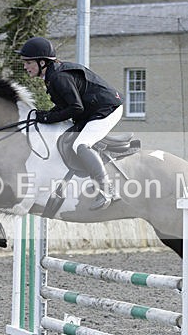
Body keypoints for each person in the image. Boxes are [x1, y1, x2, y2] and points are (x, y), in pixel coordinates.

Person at [16, 37, 123, 210]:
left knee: (81, 144)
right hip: (92, 110)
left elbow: (76, 108)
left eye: (28, 62)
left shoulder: (58, 77)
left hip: (108, 109)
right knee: (67, 138)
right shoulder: (52, 75)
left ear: (42, 62)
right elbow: (64, 105)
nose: (25, 67)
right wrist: (44, 114)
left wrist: (47, 118)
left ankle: (107, 189)